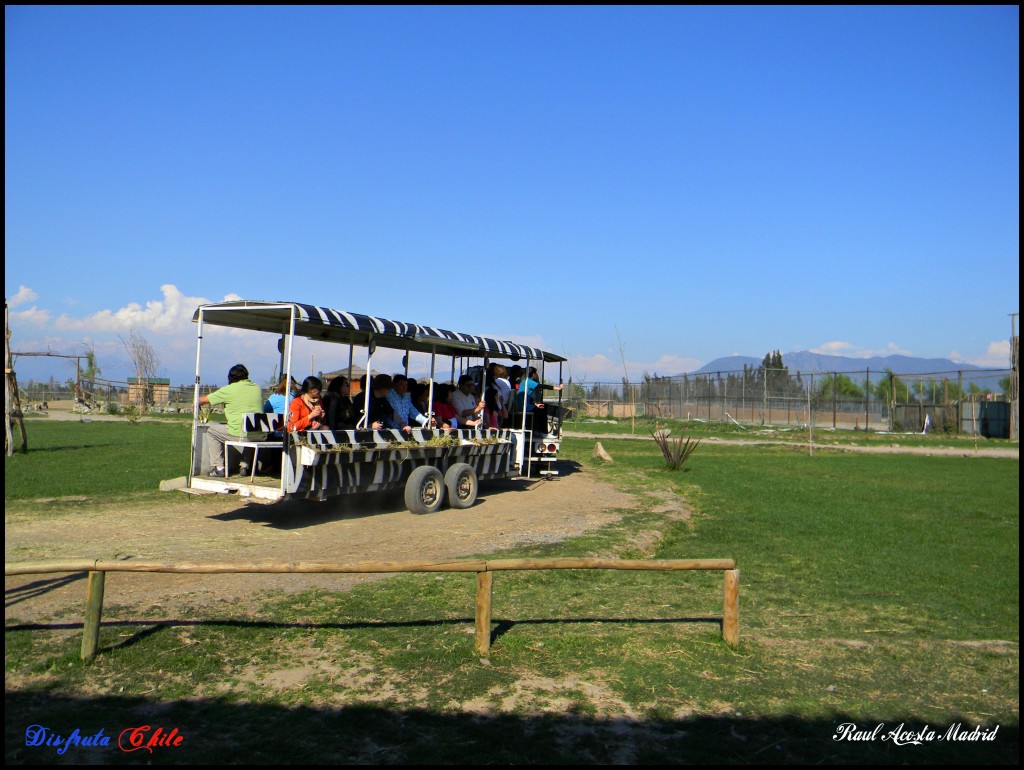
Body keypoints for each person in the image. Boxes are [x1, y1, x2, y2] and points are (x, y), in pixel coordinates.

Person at [198, 363, 267, 477]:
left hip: (241, 433)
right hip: (261, 433)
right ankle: (245, 466)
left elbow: (204, 400)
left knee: (211, 431)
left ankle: (219, 467)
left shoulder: (229, 390)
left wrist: (195, 402)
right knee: (250, 430)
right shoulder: (256, 388)